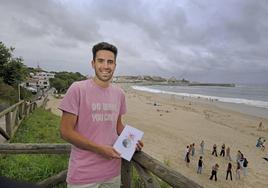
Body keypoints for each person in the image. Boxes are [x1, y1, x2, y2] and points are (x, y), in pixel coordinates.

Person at [59, 42, 143, 188]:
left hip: (112, 172)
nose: (105, 66)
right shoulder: (77, 89)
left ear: (115, 65)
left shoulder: (119, 94)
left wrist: (132, 139)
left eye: (110, 62)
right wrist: (100, 149)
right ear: (93, 63)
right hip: (83, 174)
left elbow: (117, 126)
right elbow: (65, 132)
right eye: (100, 61)